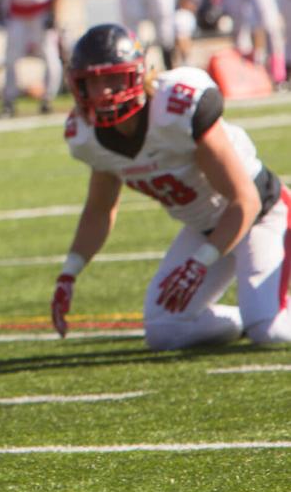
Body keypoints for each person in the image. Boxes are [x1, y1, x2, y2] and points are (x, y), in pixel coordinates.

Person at [51, 24, 291, 351]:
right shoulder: (88, 137)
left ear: (137, 75)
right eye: (91, 82)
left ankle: (260, 316)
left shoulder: (177, 108)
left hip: (260, 216)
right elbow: (99, 209)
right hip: (205, 227)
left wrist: (200, 262)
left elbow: (244, 200)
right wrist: (69, 273)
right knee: (165, 331)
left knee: (269, 331)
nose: (103, 92)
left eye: (112, 79)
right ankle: (246, 317)